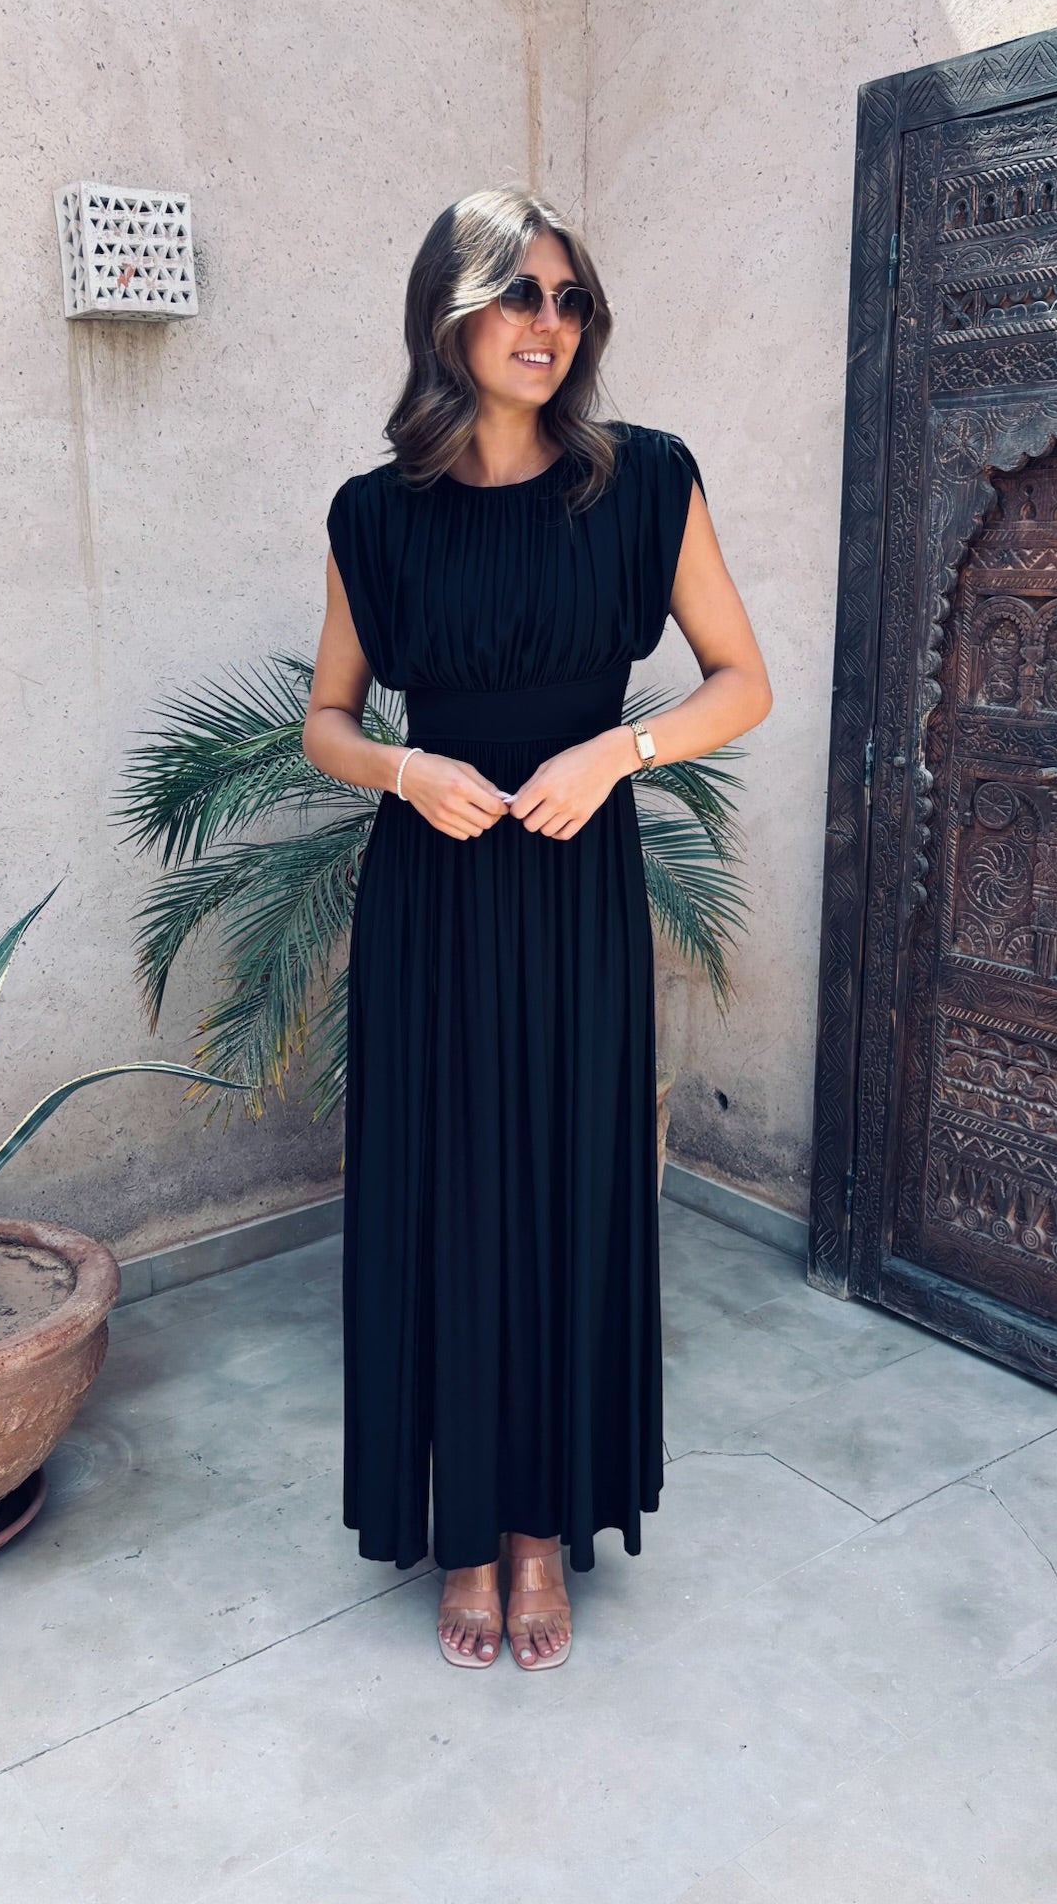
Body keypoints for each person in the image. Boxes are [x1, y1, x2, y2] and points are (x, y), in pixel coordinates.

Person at [302, 187, 772, 1670]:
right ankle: (462, 1533)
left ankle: (536, 1534)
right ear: (450, 315)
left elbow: (742, 681)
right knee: (444, 1193)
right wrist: (403, 771)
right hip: (433, 891)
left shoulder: (646, 482)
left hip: (575, 884)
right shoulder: (374, 514)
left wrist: (618, 754)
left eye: (570, 301)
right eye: (520, 295)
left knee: (570, 1182)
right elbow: (326, 719)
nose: (550, 326)